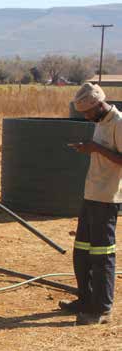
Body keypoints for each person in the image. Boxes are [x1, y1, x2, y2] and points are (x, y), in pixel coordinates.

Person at [59, 83, 122, 325]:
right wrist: (90, 149)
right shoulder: (100, 123)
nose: (86, 117)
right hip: (91, 195)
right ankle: (85, 299)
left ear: (98, 105)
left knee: (102, 255)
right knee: (82, 251)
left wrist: (95, 148)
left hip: (107, 198)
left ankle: (102, 309)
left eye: (87, 112)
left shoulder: (118, 123)